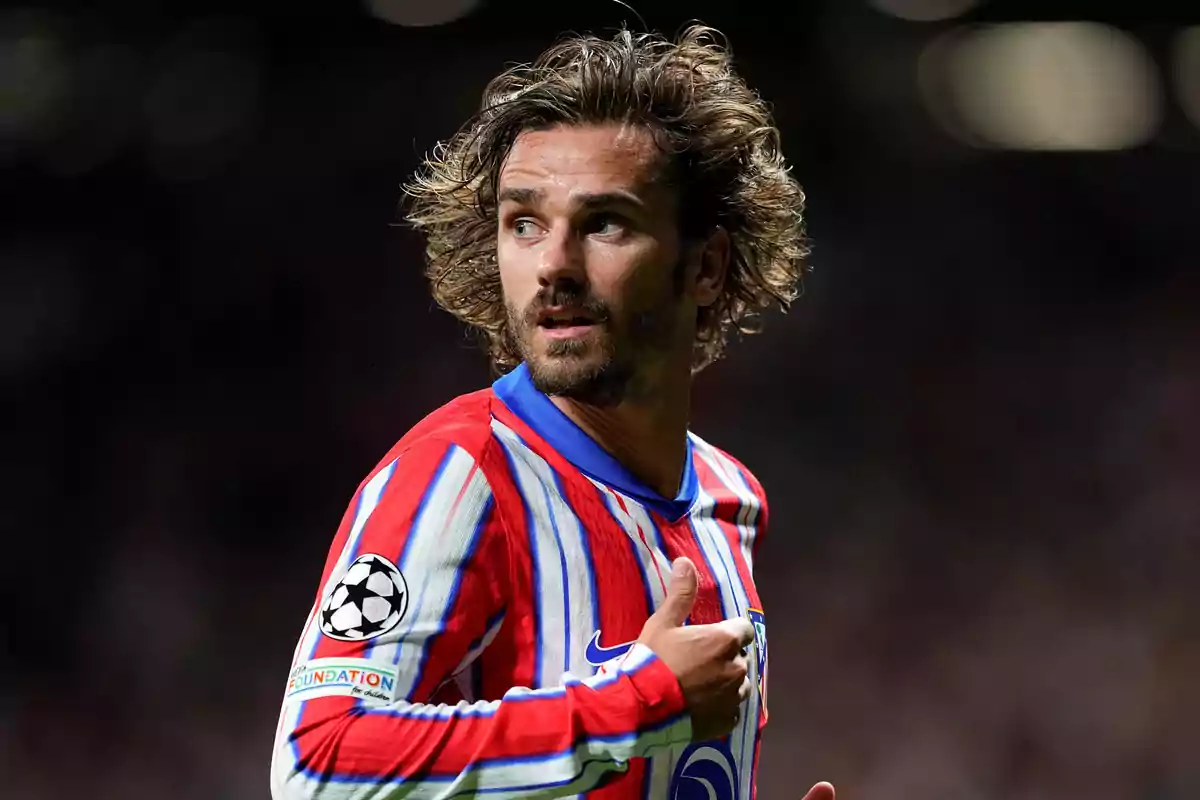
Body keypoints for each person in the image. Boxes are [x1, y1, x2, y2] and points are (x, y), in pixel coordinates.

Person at [270, 24, 834, 800]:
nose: (553, 266)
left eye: (605, 222)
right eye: (524, 222)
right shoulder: (459, 475)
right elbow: (314, 765)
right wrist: (640, 702)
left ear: (705, 265)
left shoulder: (729, 500)